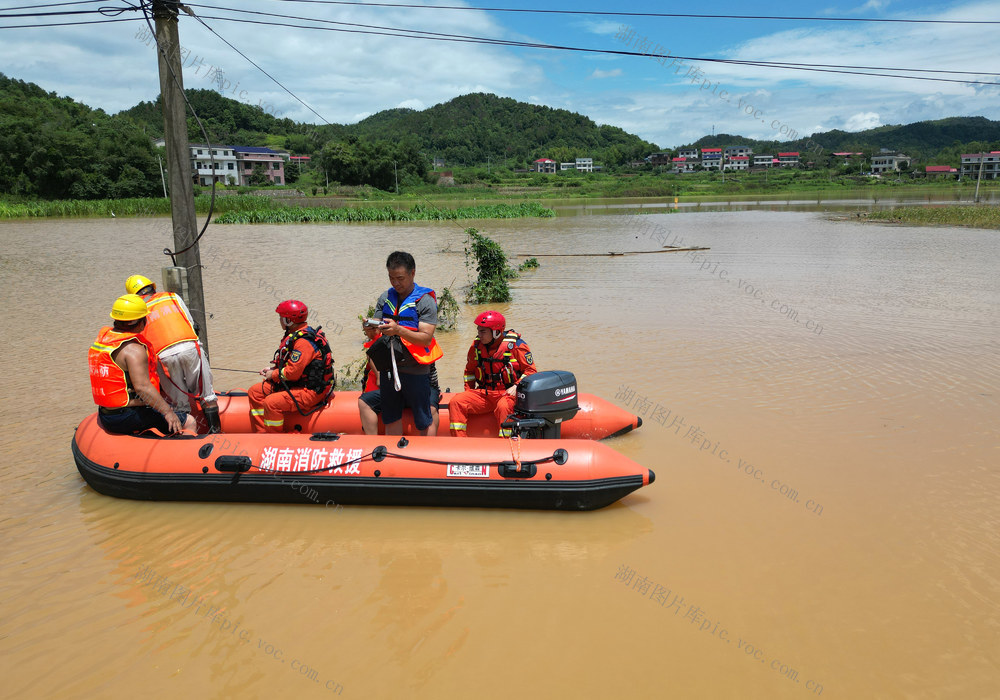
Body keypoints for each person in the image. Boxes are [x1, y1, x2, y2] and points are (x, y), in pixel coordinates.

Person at [125, 274, 220, 433]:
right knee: (207, 395)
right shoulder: (172, 296)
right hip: (189, 347)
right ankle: (215, 433)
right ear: (152, 287)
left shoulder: (138, 310)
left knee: (179, 405)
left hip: (163, 357)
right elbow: (190, 322)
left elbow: (140, 341)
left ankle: (187, 437)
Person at [89, 294, 196, 435]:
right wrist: (168, 412)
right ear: (141, 321)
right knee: (189, 421)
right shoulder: (134, 350)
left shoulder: (103, 342)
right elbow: (142, 388)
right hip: (125, 416)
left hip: (107, 414)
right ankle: (184, 446)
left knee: (160, 406)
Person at [371, 251, 443, 436]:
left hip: (415, 370)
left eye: (400, 278)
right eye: (391, 278)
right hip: (389, 369)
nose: (395, 283)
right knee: (390, 418)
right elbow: (375, 330)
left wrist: (398, 330)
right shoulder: (385, 297)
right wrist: (369, 327)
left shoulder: (425, 301)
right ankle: (392, 453)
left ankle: (427, 452)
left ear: (412, 273)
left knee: (424, 420)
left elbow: (426, 338)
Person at [248, 300, 335, 433]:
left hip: (310, 391)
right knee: (255, 392)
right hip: (296, 384)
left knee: (271, 403)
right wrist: (273, 369)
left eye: (281, 317)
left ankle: (274, 437)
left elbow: (293, 373)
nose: (279, 320)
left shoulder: (303, 342)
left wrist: (273, 374)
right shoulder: (298, 335)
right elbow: (293, 366)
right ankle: (262, 431)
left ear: (289, 321)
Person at [449, 310, 537, 437]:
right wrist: (468, 391)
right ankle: (460, 442)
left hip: (507, 394)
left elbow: (531, 371)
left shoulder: (516, 345)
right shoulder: (476, 347)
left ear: (496, 332)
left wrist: (516, 386)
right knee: (456, 402)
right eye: (478, 331)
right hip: (485, 394)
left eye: (483, 331)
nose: (479, 335)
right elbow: (469, 372)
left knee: (503, 407)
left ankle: (505, 443)